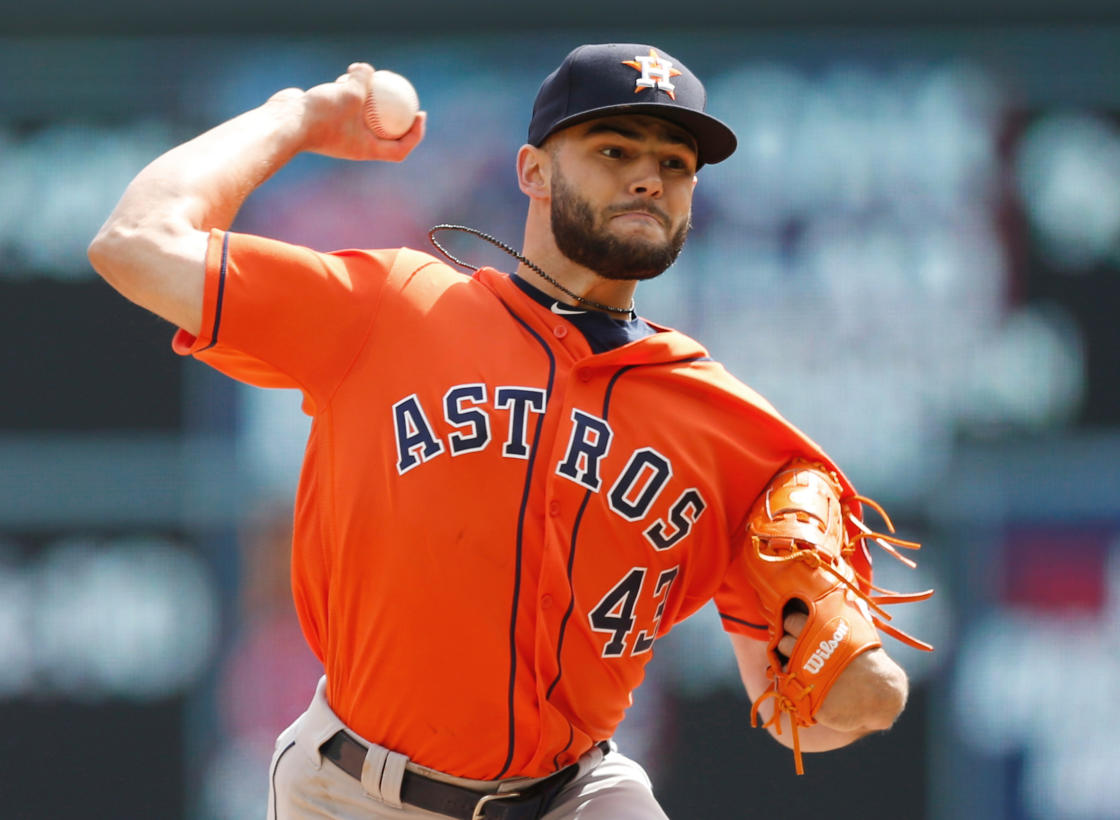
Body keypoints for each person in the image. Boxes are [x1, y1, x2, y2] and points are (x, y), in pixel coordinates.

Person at [89, 43, 919, 820]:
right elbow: (135, 244)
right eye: (613, 150)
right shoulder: (392, 309)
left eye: (674, 164)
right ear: (531, 170)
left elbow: (803, 720)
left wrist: (860, 680)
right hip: (359, 791)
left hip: (578, 793)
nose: (647, 179)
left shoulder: (728, 430)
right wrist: (298, 118)